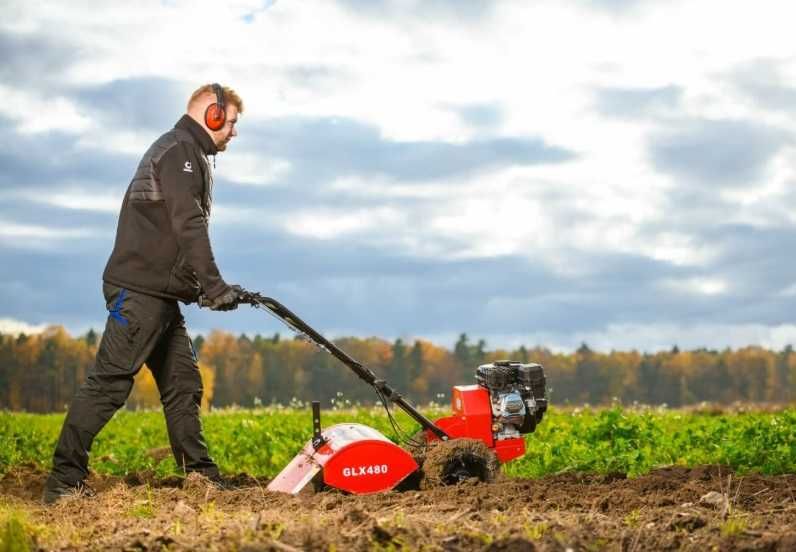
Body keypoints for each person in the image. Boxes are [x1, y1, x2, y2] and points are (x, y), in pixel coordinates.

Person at [43, 83, 244, 504]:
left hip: (158, 295)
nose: (234, 133)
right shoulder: (179, 153)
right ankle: (63, 482)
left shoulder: (184, 155)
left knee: (183, 384)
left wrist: (205, 289)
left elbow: (169, 236)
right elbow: (187, 224)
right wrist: (213, 285)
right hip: (139, 294)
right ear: (212, 115)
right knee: (109, 384)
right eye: (232, 123)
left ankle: (201, 477)